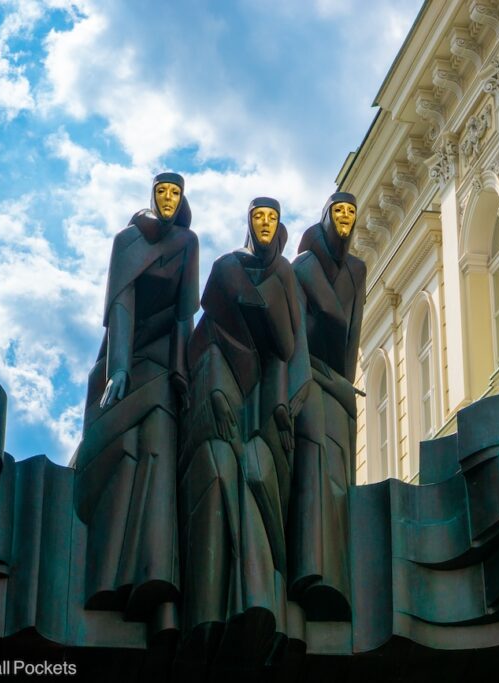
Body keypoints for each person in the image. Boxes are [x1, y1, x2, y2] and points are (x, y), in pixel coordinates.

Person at [178, 197, 310, 667]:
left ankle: (260, 605)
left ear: (280, 227)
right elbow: (207, 335)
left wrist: (281, 407)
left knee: (256, 472)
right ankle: (209, 613)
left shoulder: (286, 277)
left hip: (267, 404)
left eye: (272, 218)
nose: (265, 224)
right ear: (249, 223)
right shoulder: (226, 269)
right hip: (225, 393)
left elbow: (291, 352)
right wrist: (212, 386)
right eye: (258, 217)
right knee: (218, 472)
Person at [71, 172, 198, 632]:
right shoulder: (128, 239)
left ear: (182, 200)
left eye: (175, 194)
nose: (168, 199)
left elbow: (187, 312)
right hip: (125, 357)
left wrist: (182, 371)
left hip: (166, 360)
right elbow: (121, 305)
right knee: (121, 453)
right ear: (152, 197)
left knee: (158, 452)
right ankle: (107, 574)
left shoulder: (188, 241)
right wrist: (119, 367)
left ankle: (156, 578)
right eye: (162, 192)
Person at [288, 192, 364, 620]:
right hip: (308, 377)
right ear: (325, 217)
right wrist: (300, 382)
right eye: (339, 211)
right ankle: (312, 569)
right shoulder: (302, 267)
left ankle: (336, 571)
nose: (345, 218)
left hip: (337, 383)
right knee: (315, 460)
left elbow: (351, 338)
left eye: (351, 213)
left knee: (337, 470)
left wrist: (347, 387)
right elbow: (295, 334)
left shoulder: (357, 270)